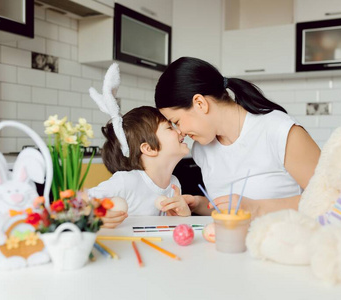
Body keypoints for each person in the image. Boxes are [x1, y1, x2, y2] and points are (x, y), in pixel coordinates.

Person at [154, 57, 321, 218]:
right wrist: (198, 203)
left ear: (200, 103)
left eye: (177, 121)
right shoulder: (202, 150)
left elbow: (333, 197)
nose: (180, 132)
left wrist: (256, 208)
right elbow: (233, 212)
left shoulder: (280, 130)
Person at [88, 63, 191, 228]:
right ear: (148, 148)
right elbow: (82, 201)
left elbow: (172, 230)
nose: (180, 131)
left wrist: (184, 215)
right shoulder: (127, 181)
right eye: (170, 127)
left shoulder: (174, 184)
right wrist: (95, 214)